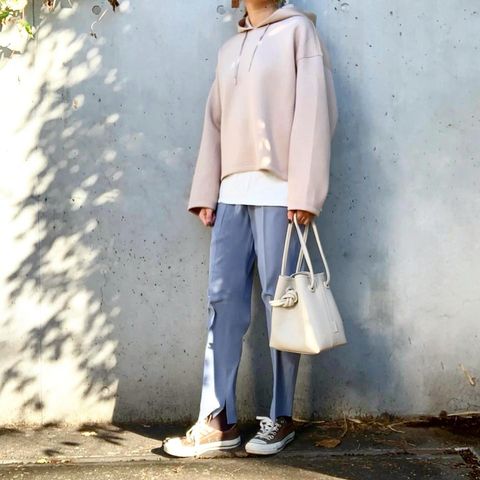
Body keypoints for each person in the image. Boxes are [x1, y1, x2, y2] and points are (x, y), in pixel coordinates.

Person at [163, 0, 338, 457]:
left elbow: (315, 112)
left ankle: (281, 417)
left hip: (281, 195)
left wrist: (305, 192)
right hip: (231, 194)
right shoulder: (229, 50)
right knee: (222, 302)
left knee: (281, 304)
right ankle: (218, 419)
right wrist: (206, 192)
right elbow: (214, 122)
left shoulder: (299, 33)